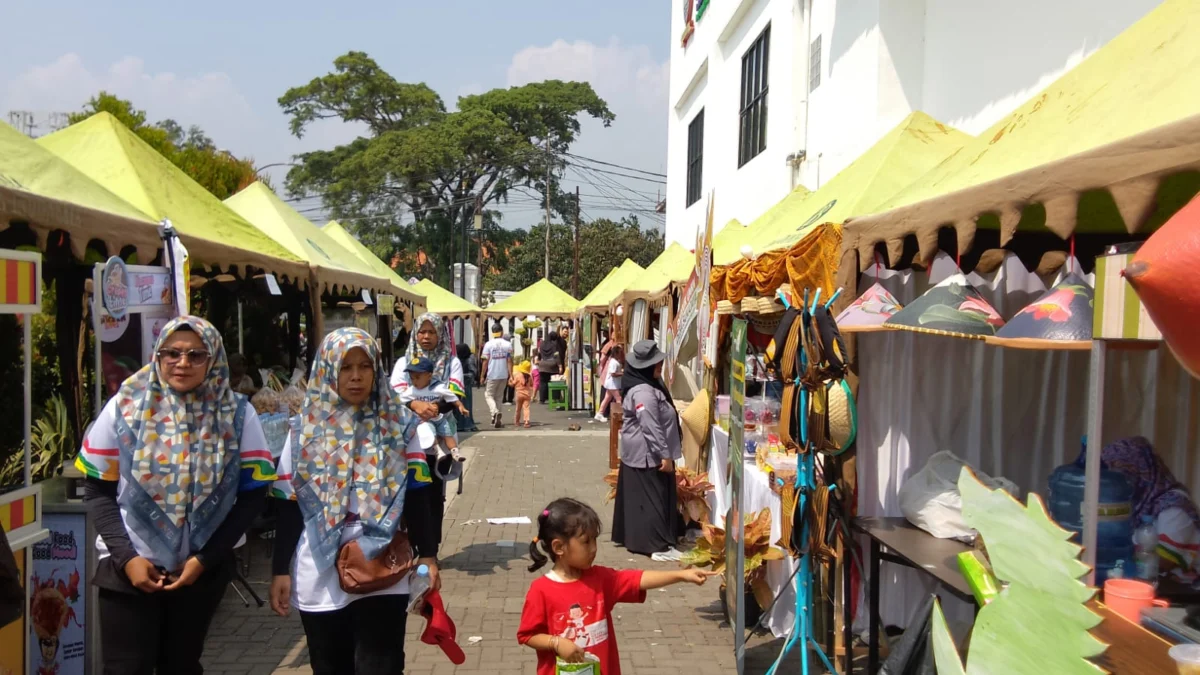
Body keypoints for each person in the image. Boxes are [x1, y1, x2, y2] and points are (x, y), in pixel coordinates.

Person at [75, 316, 275, 674]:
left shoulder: (238, 415)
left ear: (213, 359)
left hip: (199, 571)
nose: (182, 363)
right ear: (158, 354)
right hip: (128, 569)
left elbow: (253, 495)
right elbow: (97, 489)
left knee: (181, 665)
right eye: (172, 353)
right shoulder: (125, 408)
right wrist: (127, 558)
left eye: (196, 355)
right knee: (125, 668)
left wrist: (205, 560)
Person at [269, 328, 441, 675]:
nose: (357, 376)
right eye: (346, 367)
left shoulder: (398, 426)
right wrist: (278, 570)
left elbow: (419, 494)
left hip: (384, 565)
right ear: (328, 370)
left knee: (383, 664)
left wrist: (428, 556)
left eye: (365, 366)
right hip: (320, 570)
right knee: (329, 664)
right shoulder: (303, 430)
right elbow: (288, 502)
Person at [516, 498, 715, 675]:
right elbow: (528, 635)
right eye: (586, 542)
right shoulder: (540, 590)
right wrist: (557, 643)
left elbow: (637, 579)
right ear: (559, 547)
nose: (594, 548)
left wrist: (681, 575)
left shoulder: (601, 579)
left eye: (595, 540)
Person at [391, 312, 465, 545]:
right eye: (422, 331)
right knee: (411, 493)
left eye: (431, 331)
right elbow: (395, 396)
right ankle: (410, 546)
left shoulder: (452, 362)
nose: (426, 336)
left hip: (440, 438)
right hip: (408, 439)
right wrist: (415, 404)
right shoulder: (404, 363)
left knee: (434, 494)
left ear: (440, 334)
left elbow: (456, 394)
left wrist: (432, 408)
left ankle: (431, 548)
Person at [612, 340, 684, 556]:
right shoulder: (643, 391)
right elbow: (650, 424)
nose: (660, 367)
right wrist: (664, 454)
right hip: (646, 453)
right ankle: (655, 544)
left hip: (643, 452)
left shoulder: (648, 385)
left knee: (644, 499)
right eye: (657, 364)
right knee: (652, 499)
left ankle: (646, 540)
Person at [1101, 436, 1200, 576]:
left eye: (1124, 472)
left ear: (1143, 470)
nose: (1116, 482)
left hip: (1181, 593)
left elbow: (1162, 561)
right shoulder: (1133, 503)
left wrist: (1111, 554)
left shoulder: (1175, 506)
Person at [406, 356, 469, 458]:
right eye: (412, 378)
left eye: (418, 377)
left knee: (447, 434)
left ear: (429, 376)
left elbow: (451, 396)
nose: (414, 381)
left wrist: (460, 406)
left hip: (440, 418)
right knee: (430, 435)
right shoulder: (411, 391)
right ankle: (438, 451)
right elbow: (400, 400)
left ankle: (455, 452)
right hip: (426, 421)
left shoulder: (437, 387)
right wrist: (412, 404)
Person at [481, 324, 514, 428]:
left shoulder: (488, 345)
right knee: (499, 397)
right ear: (502, 331)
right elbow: (509, 361)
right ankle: (495, 418)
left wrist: (482, 375)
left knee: (489, 395)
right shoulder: (508, 344)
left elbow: (485, 361)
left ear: (492, 332)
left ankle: (494, 411)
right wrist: (511, 374)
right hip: (503, 374)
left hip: (492, 374)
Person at [594, 346, 624, 423]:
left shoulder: (613, 361)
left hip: (611, 384)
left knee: (607, 398)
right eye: (620, 353)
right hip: (612, 384)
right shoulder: (614, 362)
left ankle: (600, 413)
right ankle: (620, 414)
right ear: (616, 353)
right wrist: (622, 373)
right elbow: (613, 373)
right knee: (619, 399)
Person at [454, 343, 479, 433]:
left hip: (466, 385)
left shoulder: (469, 359)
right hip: (458, 385)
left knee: (466, 405)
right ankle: (460, 425)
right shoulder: (458, 359)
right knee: (458, 406)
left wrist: (461, 376)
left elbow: (473, 373)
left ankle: (467, 424)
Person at [511, 361, 535, 429]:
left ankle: (517, 421)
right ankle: (526, 421)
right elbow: (531, 384)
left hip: (519, 394)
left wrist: (510, 382)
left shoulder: (518, 375)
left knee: (518, 409)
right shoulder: (529, 377)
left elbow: (513, 383)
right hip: (527, 395)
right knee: (526, 408)